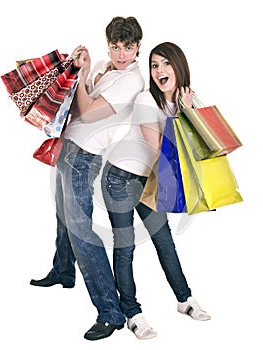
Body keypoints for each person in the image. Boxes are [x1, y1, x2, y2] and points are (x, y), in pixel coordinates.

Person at [30, 16, 145, 341]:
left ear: (138, 46)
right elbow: (81, 107)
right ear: (108, 44)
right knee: (63, 217)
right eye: (114, 46)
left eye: (128, 47)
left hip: (83, 156)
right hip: (70, 148)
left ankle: (110, 312)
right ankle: (64, 270)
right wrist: (87, 70)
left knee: (81, 230)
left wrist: (81, 76)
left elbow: (90, 111)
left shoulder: (130, 81)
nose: (121, 53)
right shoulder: (111, 70)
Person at [101, 41, 211, 340]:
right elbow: (161, 152)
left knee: (164, 242)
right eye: (154, 65)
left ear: (179, 66)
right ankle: (132, 313)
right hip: (121, 178)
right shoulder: (146, 100)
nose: (160, 70)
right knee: (126, 247)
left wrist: (189, 110)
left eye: (165, 63)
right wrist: (186, 115)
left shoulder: (186, 100)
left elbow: (202, 145)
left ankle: (184, 299)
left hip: (149, 180)